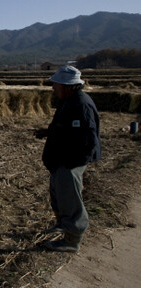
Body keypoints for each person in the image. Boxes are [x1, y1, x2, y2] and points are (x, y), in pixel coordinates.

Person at [35, 65, 101, 253]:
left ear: (67, 86)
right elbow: (65, 128)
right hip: (61, 160)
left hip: (70, 161)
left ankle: (72, 239)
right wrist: (47, 132)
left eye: (56, 85)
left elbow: (88, 139)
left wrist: (71, 165)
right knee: (58, 194)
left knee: (70, 198)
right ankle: (62, 224)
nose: (53, 88)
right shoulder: (68, 101)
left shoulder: (81, 105)